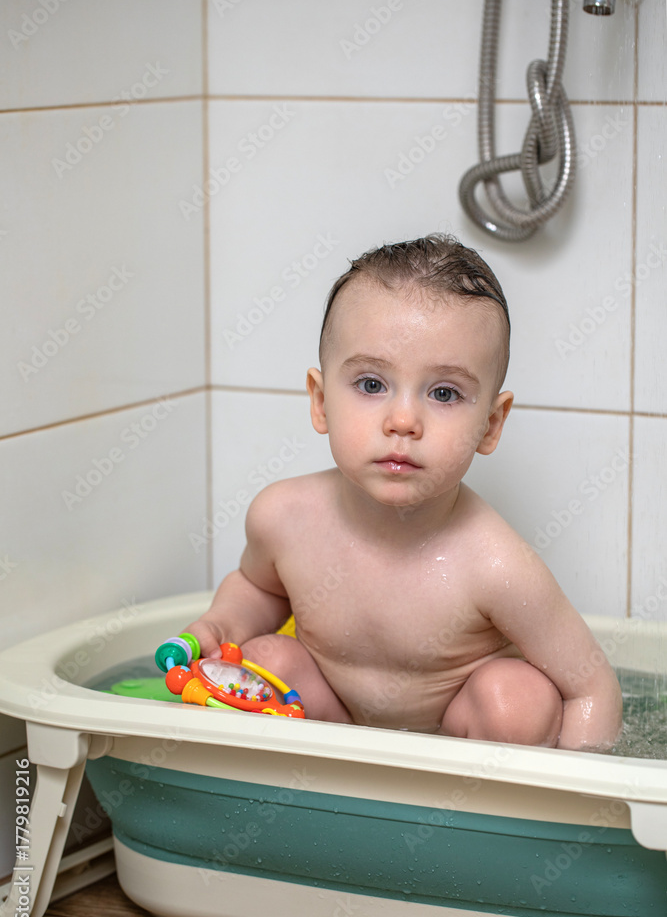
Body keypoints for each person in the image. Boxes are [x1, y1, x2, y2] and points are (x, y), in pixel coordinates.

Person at [185, 234, 623, 750]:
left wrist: (581, 786)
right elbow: (260, 589)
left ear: (490, 424)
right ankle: (314, 794)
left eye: (444, 393)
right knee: (264, 659)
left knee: (517, 699)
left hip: (460, 751)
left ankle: (473, 801)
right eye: (372, 384)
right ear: (321, 402)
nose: (403, 421)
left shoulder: (497, 567)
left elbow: (592, 688)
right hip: (334, 727)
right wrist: (220, 625)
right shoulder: (283, 518)